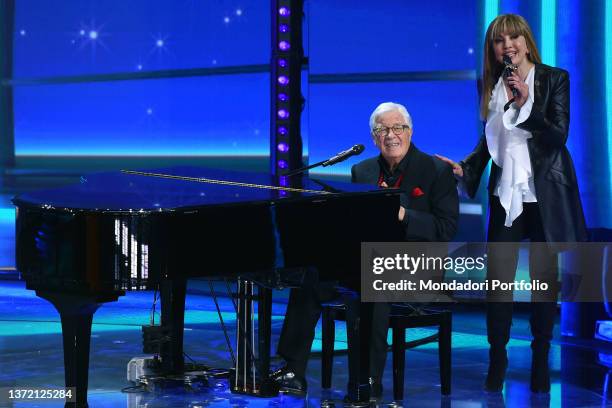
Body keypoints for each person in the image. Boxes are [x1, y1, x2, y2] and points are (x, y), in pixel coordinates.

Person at [436, 14, 587, 393]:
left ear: (526, 41)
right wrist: (466, 167)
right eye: (499, 40)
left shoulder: (554, 78)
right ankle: (497, 358)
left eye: (513, 37)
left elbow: (558, 135)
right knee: (498, 281)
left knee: (543, 281)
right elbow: (491, 140)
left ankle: (540, 358)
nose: (507, 45)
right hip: (506, 194)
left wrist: (525, 103)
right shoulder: (490, 85)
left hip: (545, 193)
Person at [272, 101, 459, 397]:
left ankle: (367, 382)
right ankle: (292, 369)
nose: (391, 135)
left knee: (375, 281)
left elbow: (446, 229)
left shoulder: (436, 171)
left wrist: (402, 214)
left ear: (410, 132)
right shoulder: (363, 170)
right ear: (374, 138)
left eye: (397, 127)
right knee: (311, 276)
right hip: (365, 260)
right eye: (382, 129)